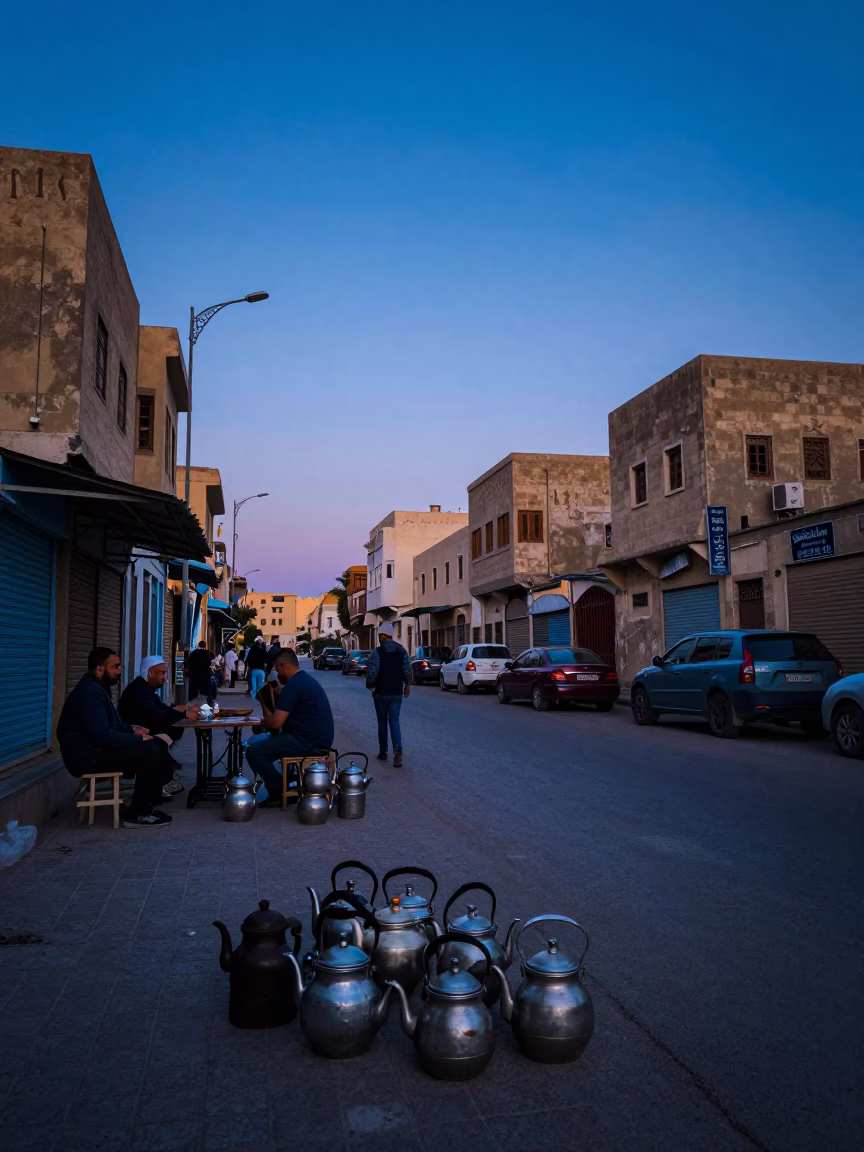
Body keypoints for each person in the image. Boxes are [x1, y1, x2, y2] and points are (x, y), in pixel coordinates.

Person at [57, 647, 175, 828]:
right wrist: (137, 740)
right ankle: (138, 814)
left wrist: (132, 729)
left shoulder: (98, 688)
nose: (120, 671)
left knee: (156, 744)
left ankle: (147, 803)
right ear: (99, 669)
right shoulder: (90, 692)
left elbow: (110, 725)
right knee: (149, 750)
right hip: (87, 758)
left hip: (97, 751)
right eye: (115, 667)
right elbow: (103, 736)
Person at [245, 648, 334, 804]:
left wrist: (264, 722)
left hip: (307, 742)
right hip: (318, 738)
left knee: (254, 751)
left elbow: (276, 722)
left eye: (277, 669)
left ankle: (279, 790)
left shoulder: (294, 685)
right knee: (270, 740)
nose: (277, 673)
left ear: (284, 666)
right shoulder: (303, 680)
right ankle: (287, 785)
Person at [366, 622, 410, 766]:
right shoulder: (401, 650)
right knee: (395, 721)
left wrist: (370, 684)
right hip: (397, 692)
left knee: (382, 722)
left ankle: (383, 752)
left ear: (383, 635)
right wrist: (407, 685)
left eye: (380, 635)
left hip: (381, 692)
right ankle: (398, 753)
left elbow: (373, 672)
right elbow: (407, 670)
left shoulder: (377, 652)